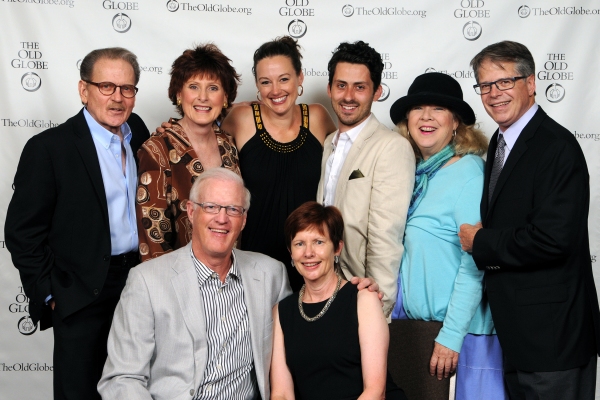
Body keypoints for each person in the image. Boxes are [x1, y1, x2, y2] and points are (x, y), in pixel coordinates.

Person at [4, 47, 149, 399]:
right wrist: (53, 294)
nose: (117, 97)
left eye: (127, 88)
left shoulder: (139, 132)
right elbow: (22, 233)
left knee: (136, 387)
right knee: (79, 391)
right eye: (106, 86)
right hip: (82, 290)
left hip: (140, 283)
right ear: (84, 90)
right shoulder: (49, 148)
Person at [458, 40, 600, 400]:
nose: (494, 94)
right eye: (485, 85)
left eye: (504, 81)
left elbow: (553, 239)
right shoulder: (499, 143)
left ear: (531, 83)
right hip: (519, 337)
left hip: (554, 339)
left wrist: (481, 242)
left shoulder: (556, 146)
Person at [99, 168, 291, 399]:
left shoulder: (272, 275)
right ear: (191, 211)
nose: (222, 218)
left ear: (244, 220)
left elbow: (299, 347)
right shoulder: (146, 282)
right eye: (210, 206)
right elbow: (123, 378)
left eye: (233, 209)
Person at [388, 72, 506, 400]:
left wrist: (451, 336)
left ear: (456, 123)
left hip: (462, 340)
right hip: (416, 334)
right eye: (418, 109)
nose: (426, 116)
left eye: (438, 109)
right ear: (407, 120)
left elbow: (475, 264)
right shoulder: (410, 175)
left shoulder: (468, 174)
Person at [221, 36, 337, 291]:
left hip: (310, 260)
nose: (275, 90)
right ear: (257, 86)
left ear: (300, 78)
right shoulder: (241, 118)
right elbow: (203, 138)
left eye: (284, 79)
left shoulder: (318, 117)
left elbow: (345, 161)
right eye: (266, 82)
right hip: (253, 260)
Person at [316, 41, 415, 317]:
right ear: (329, 89)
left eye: (360, 87)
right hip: (325, 289)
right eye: (341, 85)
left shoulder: (391, 147)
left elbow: (386, 235)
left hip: (362, 295)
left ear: (377, 91)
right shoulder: (328, 145)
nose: (348, 96)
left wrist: (378, 309)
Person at [271, 201, 407, 400]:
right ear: (291, 252)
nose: (308, 252)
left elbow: (375, 392)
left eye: (319, 242)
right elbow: (282, 394)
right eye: (299, 243)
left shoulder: (363, 298)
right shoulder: (282, 311)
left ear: (337, 248)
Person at [136, 44, 241, 262]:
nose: (203, 97)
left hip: (228, 275)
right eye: (193, 86)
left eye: (213, 88)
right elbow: (152, 236)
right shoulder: (157, 150)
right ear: (178, 94)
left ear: (225, 98)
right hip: (177, 281)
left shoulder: (229, 145)